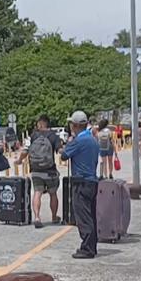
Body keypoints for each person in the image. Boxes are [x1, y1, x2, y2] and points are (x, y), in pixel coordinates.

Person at [61, 111, 99, 259]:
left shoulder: (78, 141)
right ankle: (92, 246)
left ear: (75, 125)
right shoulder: (92, 140)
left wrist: (67, 143)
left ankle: (87, 248)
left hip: (81, 182)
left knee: (83, 215)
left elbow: (64, 155)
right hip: (92, 181)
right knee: (91, 214)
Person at [18, 114, 62, 228]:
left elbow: (25, 151)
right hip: (50, 171)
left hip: (36, 170)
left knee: (37, 193)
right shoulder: (54, 136)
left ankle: (37, 217)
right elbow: (60, 151)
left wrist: (19, 160)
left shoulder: (33, 136)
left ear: (41, 123)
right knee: (53, 193)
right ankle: (54, 216)